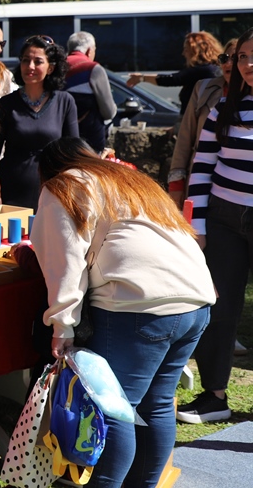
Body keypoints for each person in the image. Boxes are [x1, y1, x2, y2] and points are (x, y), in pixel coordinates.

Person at [32, 137, 214, 487]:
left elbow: (63, 261)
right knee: (156, 405)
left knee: (115, 410)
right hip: (195, 300)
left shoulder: (63, 185)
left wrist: (62, 324)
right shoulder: (133, 180)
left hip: (138, 305)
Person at [180, 27, 253, 423]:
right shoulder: (223, 107)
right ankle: (215, 397)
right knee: (219, 306)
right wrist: (199, 226)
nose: (247, 64)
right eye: (242, 57)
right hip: (223, 220)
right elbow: (203, 167)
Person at [0, 35, 78, 209]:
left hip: (53, 193)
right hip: (11, 192)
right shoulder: (5, 104)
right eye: (26, 60)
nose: (30, 67)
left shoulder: (65, 101)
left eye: (38, 61)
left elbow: (73, 153)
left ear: (51, 68)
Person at [167, 37, 238, 207]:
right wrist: (176, 183)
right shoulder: (204, 89)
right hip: (201, 181)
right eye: (224, 58)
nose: (228, 64)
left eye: (235, 58)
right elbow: (185, 139)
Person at [127, 31, 222, 115]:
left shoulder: (203, 70)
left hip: (196, 120)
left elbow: (172, 79)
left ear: (196, 51)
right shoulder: (214, 69)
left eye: (186, 49)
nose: (183, 53)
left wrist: (141, 78)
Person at [64, 31, 116, 152]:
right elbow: (108, 112)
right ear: (89, 51)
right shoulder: (92, 69)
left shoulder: (54, 68)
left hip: (59, 140)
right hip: (88, 144)